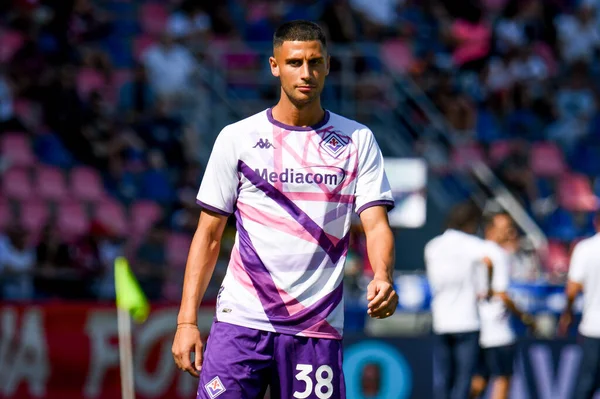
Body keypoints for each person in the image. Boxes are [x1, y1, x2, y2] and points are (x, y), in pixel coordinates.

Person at [171, 20, 397, 399]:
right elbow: (208, 235)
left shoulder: (358, 140)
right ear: (274, 65)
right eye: (294, 62)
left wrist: (384, 276)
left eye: (315, 62)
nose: (305, 73)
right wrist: (186, 321)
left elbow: (375, 225)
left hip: (315, 327)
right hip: (241, 321)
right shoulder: (237, 137)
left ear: (328, 66)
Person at [425, 201, 493, 399]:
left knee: (444, 380)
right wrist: (485, 287)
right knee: (464, 380)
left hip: (441, 320)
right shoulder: (476, 246)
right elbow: (488, 266)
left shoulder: (432, 246)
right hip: (467, 321)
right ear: (471, 222)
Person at [470, 212, 535, 399]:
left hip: (477, 326)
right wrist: (525, 318)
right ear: (490, 229)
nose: (510, 232)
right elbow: (502, 294)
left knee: (479, 380)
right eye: (504, 228)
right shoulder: (499, 254)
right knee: (502, 380)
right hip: (499, 330)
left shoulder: (474, 250)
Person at [558, 210, 600, 399]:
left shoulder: (585, 248)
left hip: (593, 328)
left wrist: (567, 314)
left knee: (585, 385)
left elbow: (572, 289)